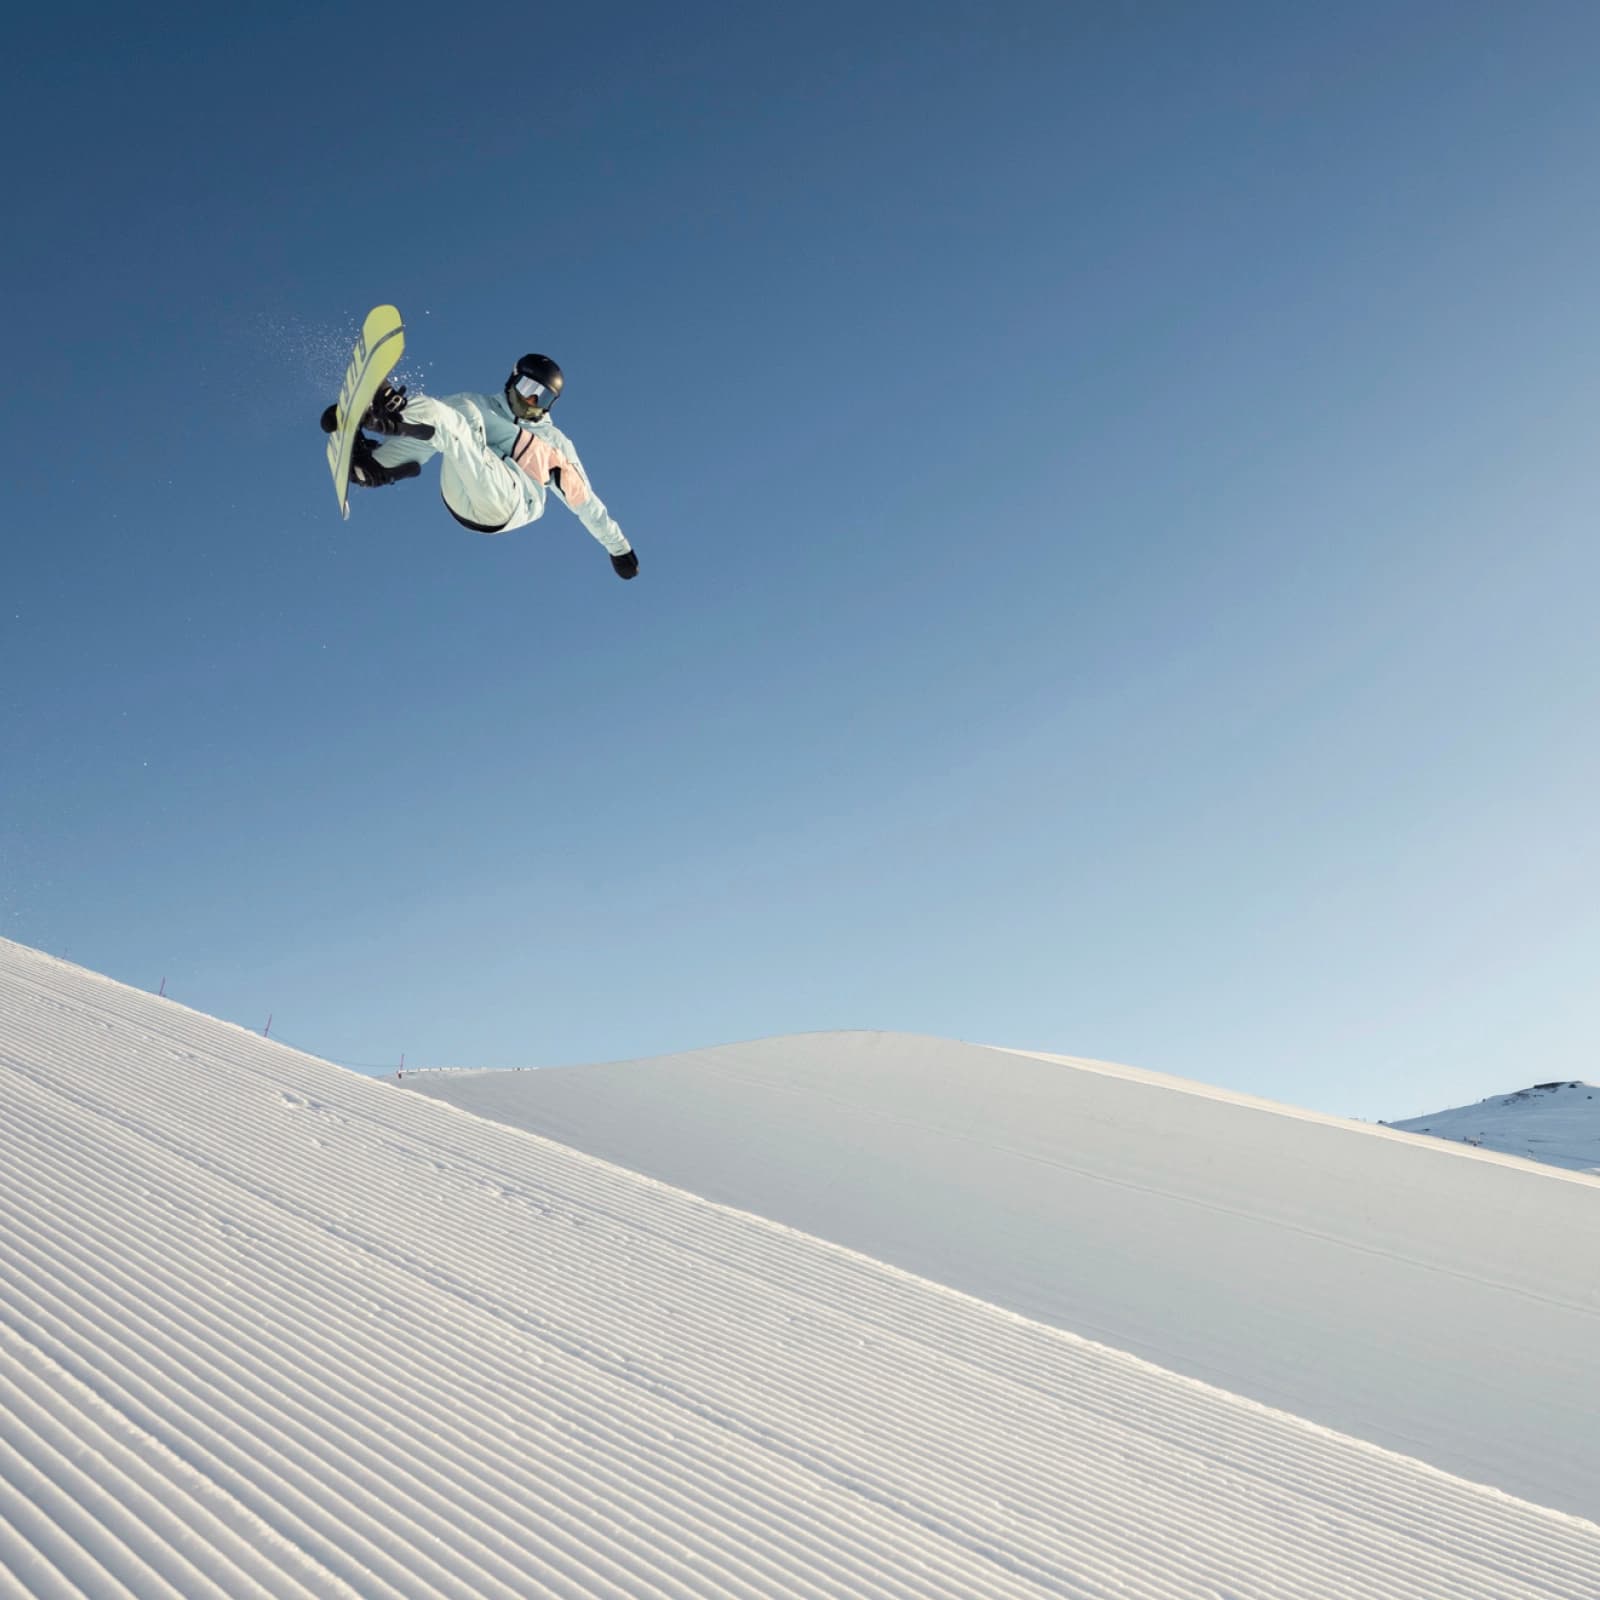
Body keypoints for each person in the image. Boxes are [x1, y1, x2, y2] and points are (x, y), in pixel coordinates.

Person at [321, 353, 638, 579]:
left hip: (507, 501)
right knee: (458, 415)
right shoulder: (479, 405)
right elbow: (440, 426)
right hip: (460, 491)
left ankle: (387, 412)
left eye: (540, 399)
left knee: (455, 423)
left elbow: (586, 504)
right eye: (528, 389)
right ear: (513, 380)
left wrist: (619, 548)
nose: (530, 402)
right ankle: (375, 465)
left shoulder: (554, 442)